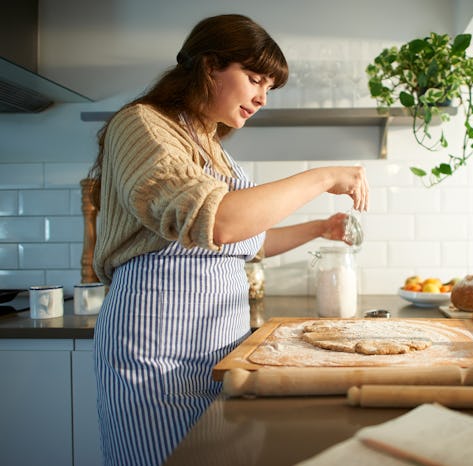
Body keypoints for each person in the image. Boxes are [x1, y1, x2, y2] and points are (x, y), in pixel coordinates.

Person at [87, 14, 368, 466]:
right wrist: (323, 176)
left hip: (218, 345)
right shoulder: (143, 125)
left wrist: (319, 229)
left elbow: (245, 241)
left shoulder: (212, 144)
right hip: (158, 349)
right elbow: (217, 222)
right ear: (209, 66)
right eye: (255, 79)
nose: (261, 98)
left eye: (269, 89)